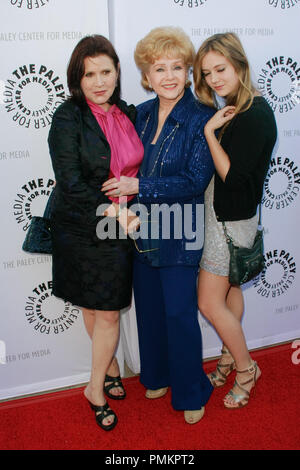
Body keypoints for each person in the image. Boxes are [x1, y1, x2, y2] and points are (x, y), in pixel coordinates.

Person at [102, 27, 215, 424]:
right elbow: (126, 163)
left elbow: (194, 181)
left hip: (180, 230)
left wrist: (139, 186)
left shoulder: (202, 115)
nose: (168, 76)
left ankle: (190, 391)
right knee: (148, 310)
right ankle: (157, 375)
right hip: (140, 228)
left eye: (177, 67)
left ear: (188, 72)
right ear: (146, 76)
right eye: (159, 68)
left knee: (180, 315)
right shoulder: (142, 112)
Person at [48, 35, 143, 430]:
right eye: (90, 74)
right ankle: (100, 382)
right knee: (96, 309)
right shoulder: (68, 116)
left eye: (106, 71)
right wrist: (113, 212)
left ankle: (104, 374)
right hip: (82, 225)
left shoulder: (127, 112)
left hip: (117, 225)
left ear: (118, 72)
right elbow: (69, 180)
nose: (99, 81)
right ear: (78, 77)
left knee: (106, 310)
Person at [193, 32, 277, 408]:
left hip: (229, 222)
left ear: (239, 64)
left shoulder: (255, 114)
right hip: (223, 217)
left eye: (221, 69)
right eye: (207, 73)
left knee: (210, 303)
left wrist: (210, 132)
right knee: (230, 292)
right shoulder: (237, 108)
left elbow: (233, 176)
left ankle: (246, 369)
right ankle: (229, 357)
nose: (214, 79)